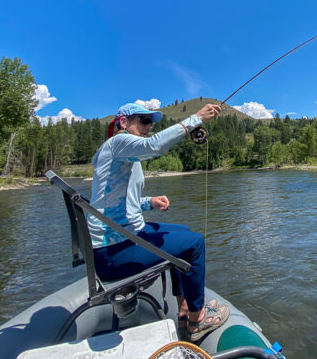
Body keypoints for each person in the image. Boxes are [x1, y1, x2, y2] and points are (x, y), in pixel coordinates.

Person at [88, 101, 229, 341]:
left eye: (150, 123)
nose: (148, 126)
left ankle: (184, 308)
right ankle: (196, 321)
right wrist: (196, 118)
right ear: (123, 122)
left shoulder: (121, 154)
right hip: (113, 251)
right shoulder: (118, 142)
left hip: (122, 237)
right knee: (194, 242)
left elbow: (117, 201)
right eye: (143, 120)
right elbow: (153, 146)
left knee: (183, 231)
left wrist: (148, 202)